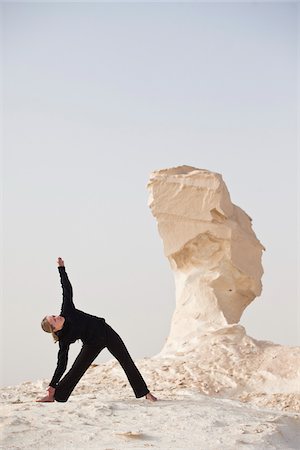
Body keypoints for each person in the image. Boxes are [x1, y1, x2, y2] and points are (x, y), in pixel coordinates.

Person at [36, 257, 157, 403]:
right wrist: (52, 385)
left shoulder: (66, 311)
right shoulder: (64, 339)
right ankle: (55, 396)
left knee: (126, 361)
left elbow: (66, 289)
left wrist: (61, 269)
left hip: (106, 331)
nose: (57, 317)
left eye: (54, 316)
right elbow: (62, 364)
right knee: (76, 369)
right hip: (91, 344)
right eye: (54, 320)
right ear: (54, 329)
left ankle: (145, 393)